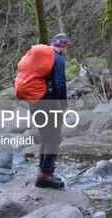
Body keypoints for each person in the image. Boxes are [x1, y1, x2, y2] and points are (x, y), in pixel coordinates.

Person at [32, 33, 70, 189]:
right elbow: (60, 84)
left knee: (45, 137)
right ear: (64, 45)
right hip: (49, 104)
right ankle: (45, 175)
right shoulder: (58, 59)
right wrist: (63, 105)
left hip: (34, 103)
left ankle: (43, 171)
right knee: (53, 138)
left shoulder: (39, 59)